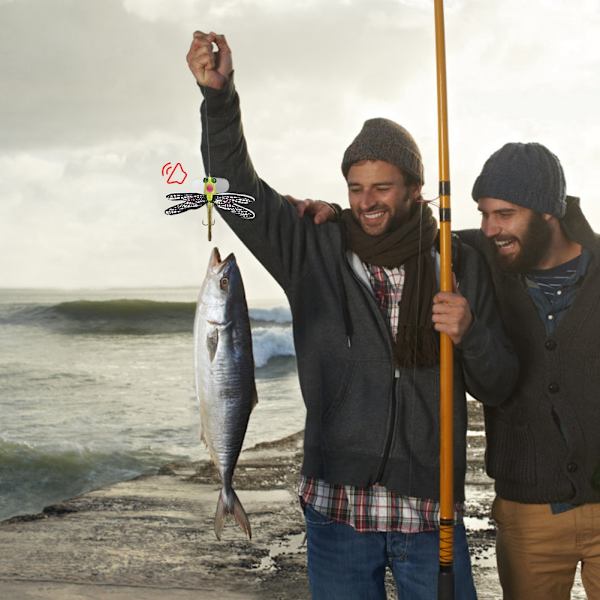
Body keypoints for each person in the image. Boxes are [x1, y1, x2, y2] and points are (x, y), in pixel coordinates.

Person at [184, 30, 517, 599]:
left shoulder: (458, 261)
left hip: (429, 509)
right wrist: (218, 97)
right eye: (356, 188)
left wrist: (471, 333)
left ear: (415, 189)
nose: (367, 202)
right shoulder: (313, 247)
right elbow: (233, 190)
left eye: (382, 188)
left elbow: (500, 384)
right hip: (337, 507)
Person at [463, 143, 600, 600]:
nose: (489, 228)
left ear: (547, 213)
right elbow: (402, 225)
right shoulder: (481, 260)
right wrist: (332, 213)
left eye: (504, 213)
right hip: (528, 512)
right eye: (483, 213)